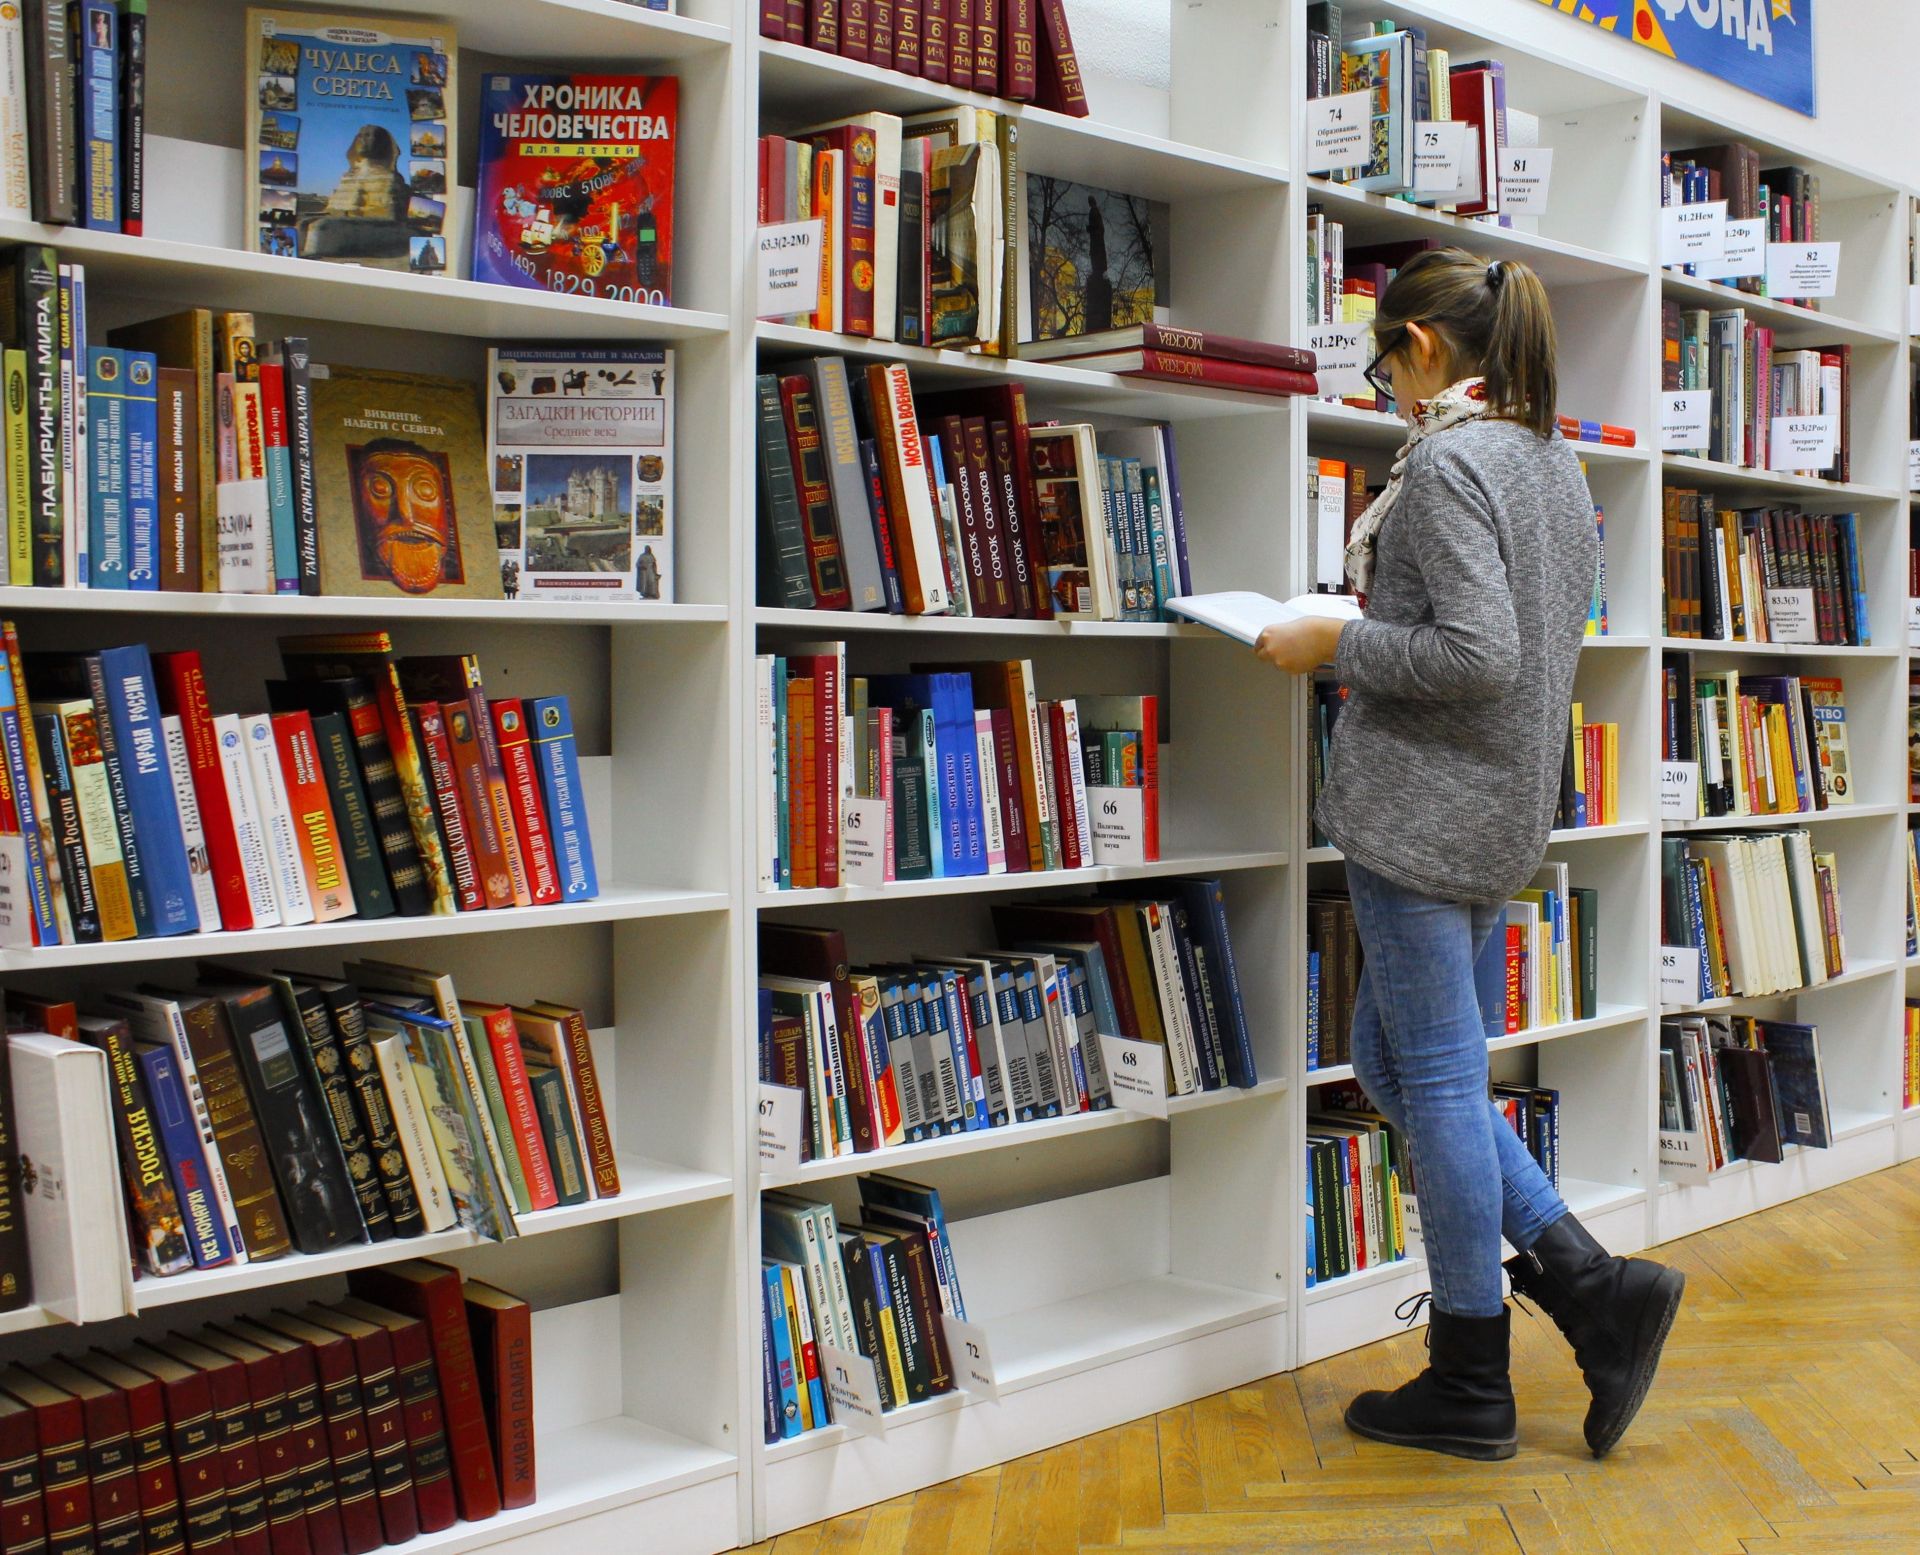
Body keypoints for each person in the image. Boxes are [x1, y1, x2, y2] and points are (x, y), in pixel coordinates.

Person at [1256, 248, 1684, 1462]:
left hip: (1423, 810)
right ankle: (1588, 1278)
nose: (1385, 385)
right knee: (1388, 1057)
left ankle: (1471, 1375)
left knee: (1434, 1078)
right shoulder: (1551, 460)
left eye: (1385, 361)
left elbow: (1477, 655)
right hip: (1498, 807)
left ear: (1426, 350)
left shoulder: (1446, 464)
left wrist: (1334, 640)